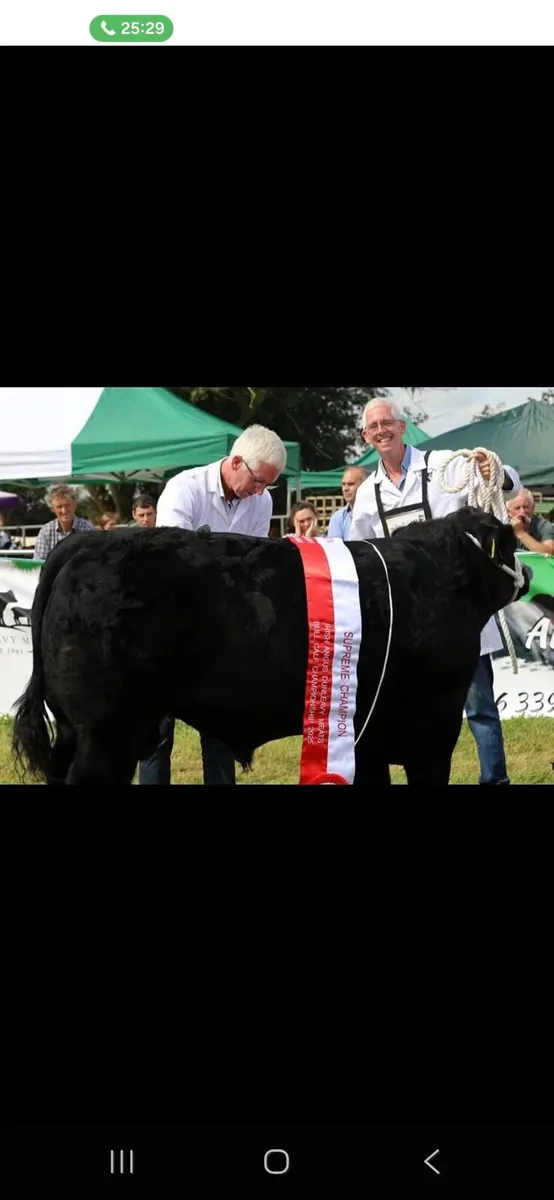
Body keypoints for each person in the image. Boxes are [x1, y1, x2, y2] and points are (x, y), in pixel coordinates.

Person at [349, 398, 522, 786]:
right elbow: (360, 553)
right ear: (365, 436)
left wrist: (495, 471)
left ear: (402, 426)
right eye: (373, 427)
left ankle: (494, 780)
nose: (381, 431)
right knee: (412, 711)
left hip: (462, 618)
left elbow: (510, 483)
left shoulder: (446, 465)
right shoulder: (367, 494)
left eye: (387, 423)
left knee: (480, 708)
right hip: (406, 628)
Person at [139, 424, 287, 786]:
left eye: (268, 485)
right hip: (168, 627)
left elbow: (254, 565)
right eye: (258, 481)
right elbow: (175, 566)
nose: (260, 491)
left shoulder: (261, 501)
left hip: (222, 633)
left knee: (221, 730)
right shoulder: (184, 489)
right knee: (157, 733)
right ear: (236, 462)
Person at [33, 486, 94, 561]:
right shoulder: (46, 532)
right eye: (59, 507)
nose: (64, 511)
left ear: (75, 505)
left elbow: (93, 560)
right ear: (53, 509)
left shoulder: (87, 529)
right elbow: (39, 563)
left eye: (67, 505)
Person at [506, 489, 554, 556]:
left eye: (525, 507)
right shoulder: (503, 525)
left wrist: (520, 533)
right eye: (517, 508)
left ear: (533, 508)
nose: (522, 511)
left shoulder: (543, 525)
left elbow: (549, 552)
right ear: (509, 512)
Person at [327, 467, 368, 539]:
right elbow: (335, 545)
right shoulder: (338, 517)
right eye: (343, 484)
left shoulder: (376, 512)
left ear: (365, 485)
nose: (345, 489)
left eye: (351, 484)